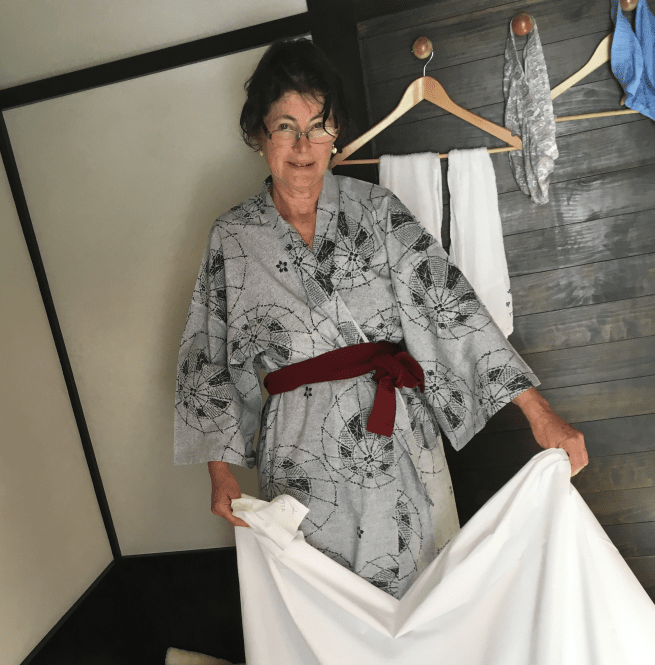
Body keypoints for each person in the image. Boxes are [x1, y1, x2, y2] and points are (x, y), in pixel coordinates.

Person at [175, 39, 588, 599]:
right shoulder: (233, 238)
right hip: (299, 462)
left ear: (336, 133)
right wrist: (221, 475)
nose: (303, 146)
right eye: (285, 127)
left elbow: (450, 306)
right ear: (259, 135)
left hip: (398, 441)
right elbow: (207, 359)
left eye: (318, 126)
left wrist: (539, 413)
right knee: (330, 613)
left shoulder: (376, 210)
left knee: (424, 601)